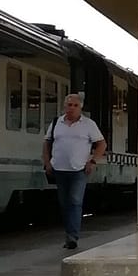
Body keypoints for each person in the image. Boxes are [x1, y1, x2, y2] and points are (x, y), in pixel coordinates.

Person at [42, 93, 106, 249]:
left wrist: (93, 161)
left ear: (80, 107)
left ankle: (72, 237)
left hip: (79, 170)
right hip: (59, 169)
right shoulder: (57, 122)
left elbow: (101, 144)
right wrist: (46, 162)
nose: (71, 108)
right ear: (64, 106)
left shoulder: (88, 124)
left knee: (75, 202)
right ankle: (69, 233)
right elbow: (47, 143)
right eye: (69, 105)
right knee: (64, 203)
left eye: (75, 105)